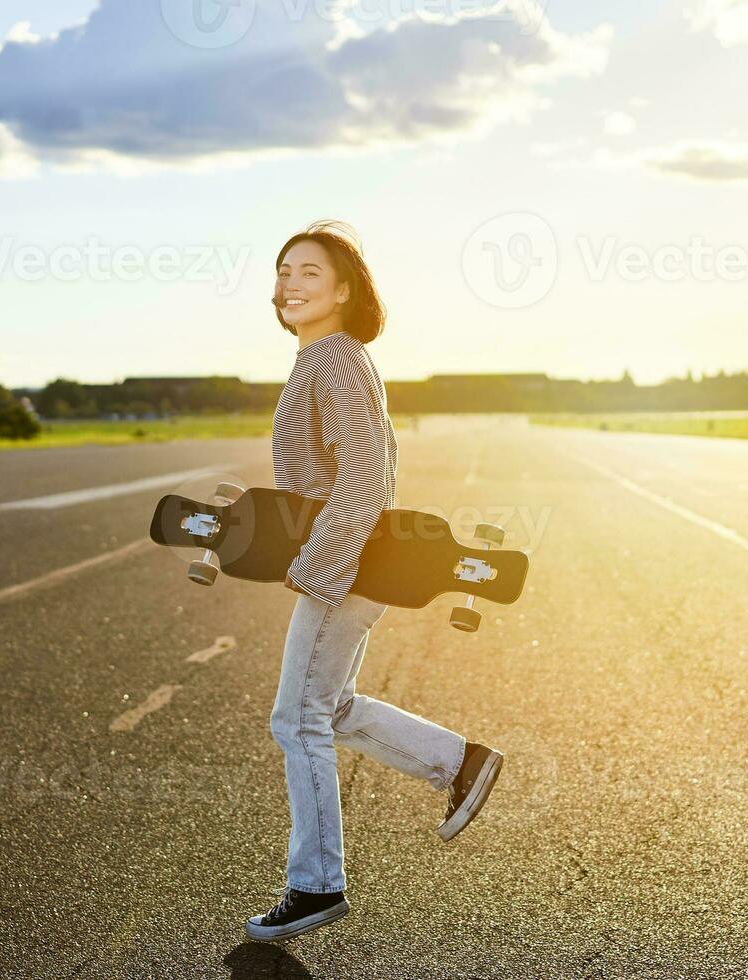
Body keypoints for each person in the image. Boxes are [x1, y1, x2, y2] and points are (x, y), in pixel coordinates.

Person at [244, 220, 502, 943]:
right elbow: (318, 480)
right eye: (283, 271)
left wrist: (319, 566)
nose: (288, 284)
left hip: (346, 564)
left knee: (295, 720)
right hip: (346, 557)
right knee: (325, 708)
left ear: (345, 290)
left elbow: (366, 472)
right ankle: (460, 762)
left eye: (308, 273)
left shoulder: (335, 358)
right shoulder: (319, 359)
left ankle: (315, 884)